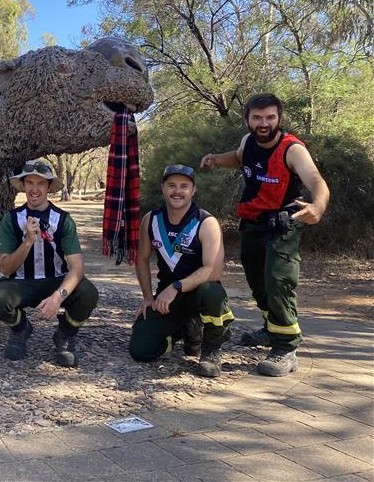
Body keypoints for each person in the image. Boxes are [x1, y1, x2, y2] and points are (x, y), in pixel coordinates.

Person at [200, 93, 330, 377]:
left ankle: (286, 347)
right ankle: (272, 329)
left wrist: (318, 205)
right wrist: (215, 161)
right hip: (253, 223)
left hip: (284, 224)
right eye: (257, 117)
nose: (264, 123)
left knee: (277, 280)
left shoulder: (291, 149)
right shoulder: (248, 142)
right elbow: (237, 158)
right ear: (247, 119)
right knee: (258, 282)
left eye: (270, 117)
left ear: (279, 118)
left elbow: (316, 180)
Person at [0, 160, 99, 367]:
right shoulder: (11, 219)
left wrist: (58, 297)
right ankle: (20, 329)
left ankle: (65, 334)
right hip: (22, 282)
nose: (34, 189)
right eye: (29, 183)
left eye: (40, 184)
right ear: (23, 186)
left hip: (55, 280)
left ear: (48, 187)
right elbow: (6, 268)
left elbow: (77, 267)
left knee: (88, 293)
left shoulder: (63, 220)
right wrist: (28, 241)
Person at [128, 164, 234, 377]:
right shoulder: (151, 219)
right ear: (163, 188)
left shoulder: (206, 222)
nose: (177, 191)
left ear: (193, 190)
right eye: (172, 185)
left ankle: (212, 348)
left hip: (197, 294)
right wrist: (148, 297)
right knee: (140, 350)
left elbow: (212, 271)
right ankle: (184, 330)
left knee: (212, 292)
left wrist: (177, 287)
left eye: (184, 186)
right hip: (167, 301)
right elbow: (142, 258)